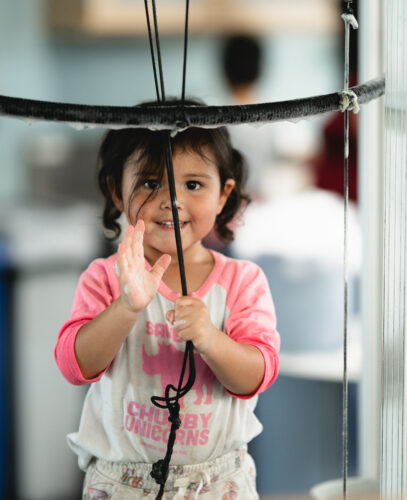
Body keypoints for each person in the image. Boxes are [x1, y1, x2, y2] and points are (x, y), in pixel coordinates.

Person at [54, 100, 280, 500]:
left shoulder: (243, 281)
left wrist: (210, 338)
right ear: (117, 191)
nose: (171, 200)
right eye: (149, 182)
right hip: (123, 484)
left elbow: (255, 376)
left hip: (219, 482)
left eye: (193, 185)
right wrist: (127, 306)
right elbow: (76, 366)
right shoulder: (106, 277)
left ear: (223, 194)